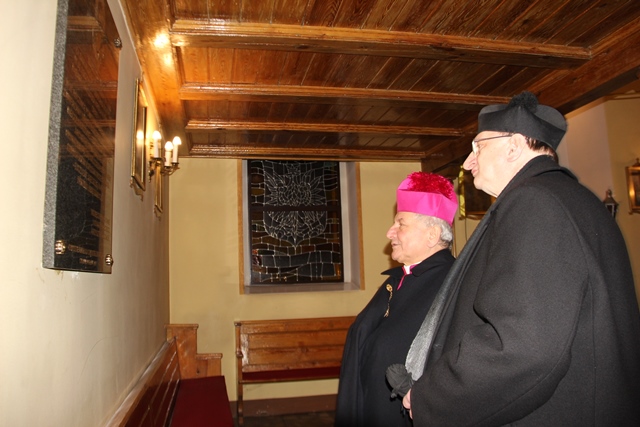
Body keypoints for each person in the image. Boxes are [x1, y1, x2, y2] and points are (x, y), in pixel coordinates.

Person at [401, 92, 640, 425]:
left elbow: (522, 345)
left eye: (478, 147)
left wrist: (433, 397)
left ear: (513, 146)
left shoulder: (535, 202)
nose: (468, 162)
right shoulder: (570, 198)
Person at [335, 172, 459, 427]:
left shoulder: (452, 285)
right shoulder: (399, 278)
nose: (390, 232)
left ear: (432, 235)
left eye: (401, 224)